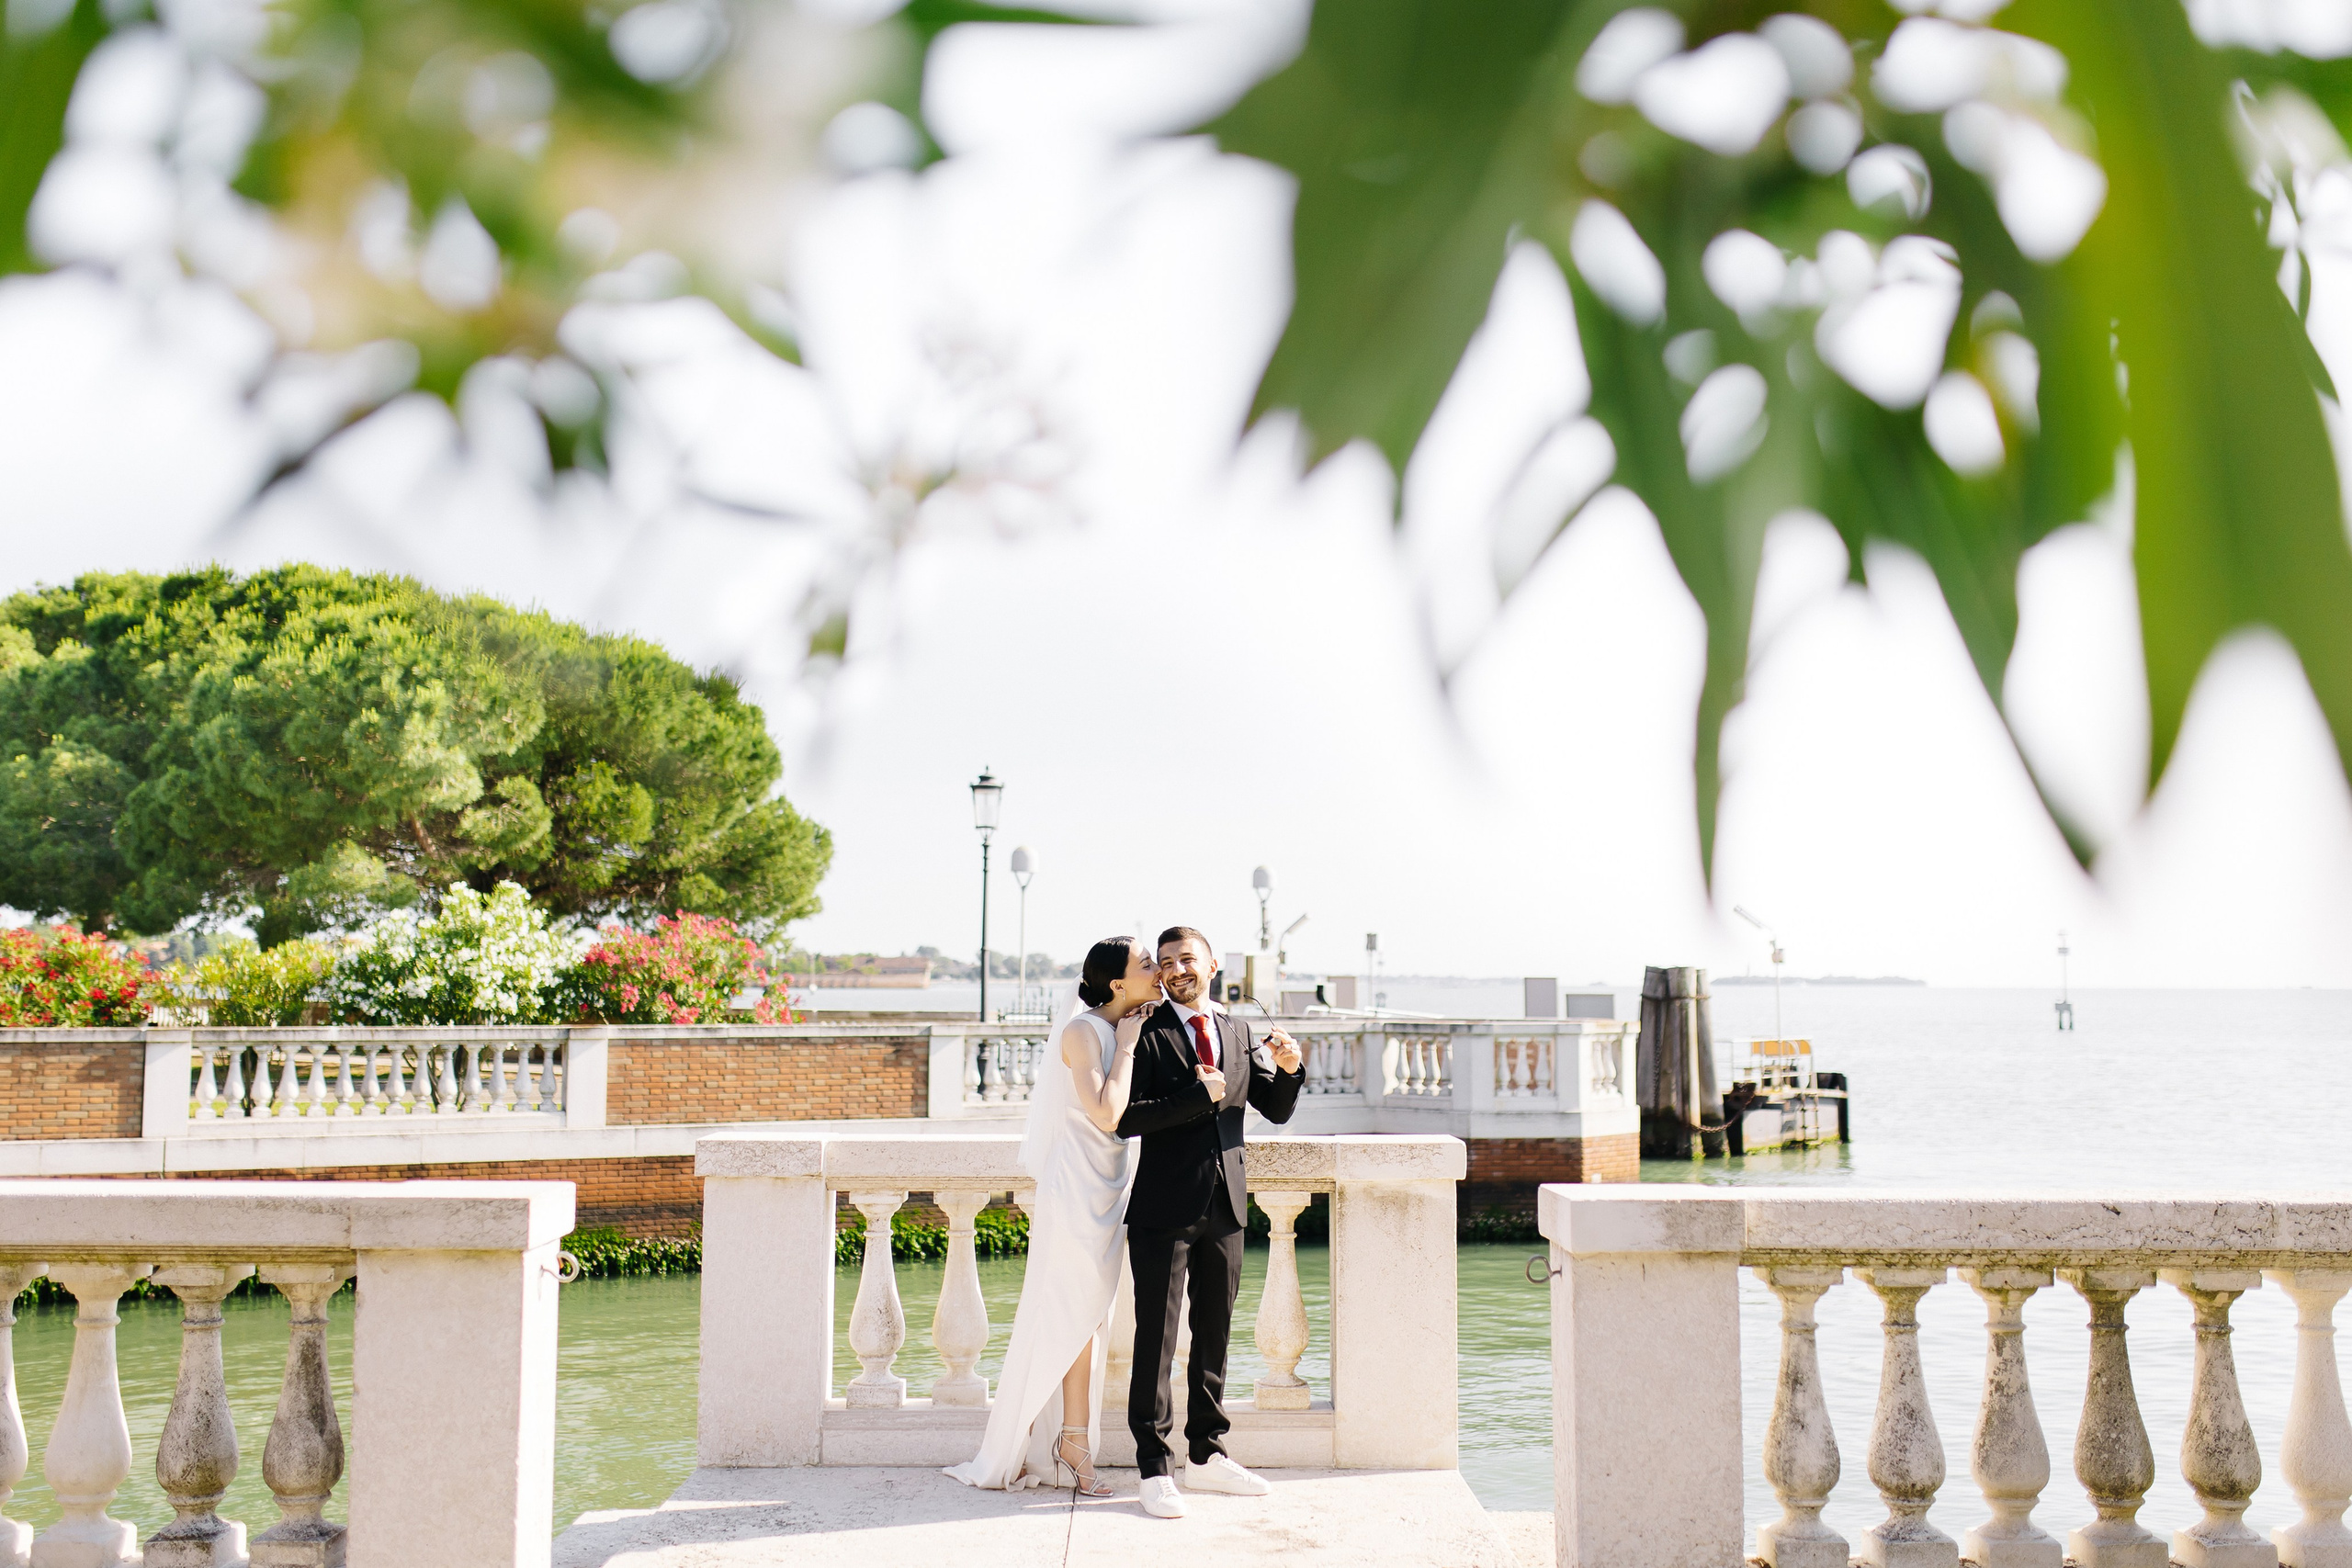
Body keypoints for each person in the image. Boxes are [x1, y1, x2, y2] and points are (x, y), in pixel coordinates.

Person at [944, 936, 1156, 1494]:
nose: (1157, 969)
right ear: (1117, 983)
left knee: (1090, 1318)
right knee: (1072, 1315)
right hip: (1075, 1190)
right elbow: (1107, 1113)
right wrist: (1130, 1044)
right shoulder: (1083, 1032)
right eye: (1147, 964)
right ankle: (1068, 1442)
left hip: (1113, 1187)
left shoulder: (1128, 1025)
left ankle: (1061, 1437)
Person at [1117, 925, 1305, 1520]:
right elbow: (1124, 1118)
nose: (1176, 968)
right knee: (1158, 1339)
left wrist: (1293, 1066)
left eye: (1187, 958)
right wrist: (1197, 1098)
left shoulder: (1237, 1029)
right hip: (1161, 1210)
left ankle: (1207, 1452)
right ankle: (1153, 1464)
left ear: (1213, 964)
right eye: (1166, 961)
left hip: (1227, 1207)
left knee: (1215, 1335)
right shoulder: (1145, 1030)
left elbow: (1273, 1107)